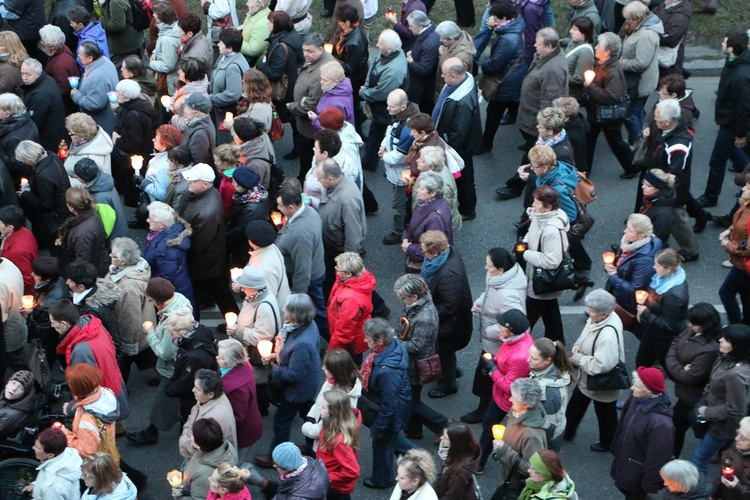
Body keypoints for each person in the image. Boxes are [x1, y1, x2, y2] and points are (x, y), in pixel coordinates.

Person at [496, 28, 568, 201]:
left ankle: (515, 186)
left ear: (549, 46)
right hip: (531, 118)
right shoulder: (545, 59)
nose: (534, 44)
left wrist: (541, 129)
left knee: (531, 156)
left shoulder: (552, 70)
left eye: (538, 43)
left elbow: (549, 102)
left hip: (538, 123)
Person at [253, 294, 321, 467]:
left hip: (297, 390)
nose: (283, 310)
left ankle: (276, 457)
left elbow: (293, 374)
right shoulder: (308, 325)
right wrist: (277, 355)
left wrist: (275, 368)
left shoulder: (302, 344)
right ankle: (311, 448)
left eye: (287, 309)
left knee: (282, 421)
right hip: (308, 384)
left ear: (295, 314)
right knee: (309, 416)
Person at [462, 247, 527, 424]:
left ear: (500, 269)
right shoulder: (499, 278)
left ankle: (485, 410)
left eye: (489, 266)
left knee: (488, 377)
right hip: (493, 342)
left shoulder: (508, 295)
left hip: (499, 346)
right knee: (484, 375)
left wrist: (487, 331)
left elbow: (511, 325)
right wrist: (480, 303)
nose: (485, 268)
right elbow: (489, 293)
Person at [124, 280, 193, 445]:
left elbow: (165, 352)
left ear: (157, 301)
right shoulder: (180, 300)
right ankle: (182, 427)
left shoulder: (172, 321)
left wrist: (150, 333)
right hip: (184, 365)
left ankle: (153, 431)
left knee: (165, 400)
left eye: (151, 300)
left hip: (173, 369)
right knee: (182, 400)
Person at [564, 289, 625, 453]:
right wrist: (579, 344)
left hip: (600, 382)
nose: (587, 312)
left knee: (605, 414)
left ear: (602, 313)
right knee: (577, 406)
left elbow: (601, 365)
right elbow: (587, 334)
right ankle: (568, 431)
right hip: (588, 379)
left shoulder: (607, 337)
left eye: (591, 310)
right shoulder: (601, 319)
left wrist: (578, 359)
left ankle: (608, 442)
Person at [697, 30, 750, 208]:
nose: (721, 44)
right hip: (730, 122)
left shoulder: (741, 75)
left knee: (717, 161)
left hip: (731, 124)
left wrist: (740, 134)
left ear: (732, 48)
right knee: (737, 156)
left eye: (724, 42)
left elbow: (743, 107)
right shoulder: (734, 62)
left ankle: (710, 197)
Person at [416, 230, 472, 399]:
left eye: (425, 251)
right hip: (452, 321)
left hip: (449, 324)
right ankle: (451, 371)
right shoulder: (449, 254)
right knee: (445, 352)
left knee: (444, 351)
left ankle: (448, 384)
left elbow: (450, 306)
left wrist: (427, 315)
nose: (423, 254)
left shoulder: (448, 276)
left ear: (435, 252)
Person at [393, 274, 448, 441]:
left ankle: (444, 425)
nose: (401, 300)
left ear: (415, 297)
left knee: (411, 401)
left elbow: (417, 346)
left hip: (416, 365)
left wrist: (394, 343)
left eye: (403, 298)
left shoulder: (425, 317)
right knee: (410, 398)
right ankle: (414, 429)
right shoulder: (419, 304)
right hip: (412, 362)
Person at [477, 308, 533, 470]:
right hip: (500, 396)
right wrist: (494, 363)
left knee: (490, 427)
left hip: (505, 401)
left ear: (511, 331)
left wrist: (493, 369)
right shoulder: (516, 340)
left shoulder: (520, 356)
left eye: (501, 326)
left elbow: (510, 387)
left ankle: (480, 463)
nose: (498, 327)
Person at [359, 318, 411, 489]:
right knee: (391, 439)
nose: (365, 340)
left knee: (381, 446)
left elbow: (389, 405)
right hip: (393, 409)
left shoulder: (387, 371)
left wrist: (377, 428)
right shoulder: (393, 347)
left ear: (379, 341)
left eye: (368, 338)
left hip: (388, 413)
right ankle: (415, 453)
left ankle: (383, 479)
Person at [665, 303, 721, 458]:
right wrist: (680, 366)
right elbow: (675, 344)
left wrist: (675, 364)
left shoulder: (709, 349)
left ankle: (672, 457)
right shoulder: (692, 330)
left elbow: (690, 377)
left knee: (678, 426)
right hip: (685, 392)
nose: (689, 325)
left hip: (693, 398)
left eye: (694, 324)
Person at [691, 324, 750, 474]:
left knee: (699, 458)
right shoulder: (726, 358)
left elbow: (736, 408)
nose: (721, 340)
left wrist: (707, 412)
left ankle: (698, 492)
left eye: (726, 339)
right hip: (721, 421)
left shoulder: (735, 375)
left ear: (736, 346)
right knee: (730, 447)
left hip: (722, 426)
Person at [181, 163, 237, 316]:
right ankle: (235, 320)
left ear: (205, 184)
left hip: (205, 262)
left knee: (202, 294)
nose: (189, 183)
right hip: (212, 260)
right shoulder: (209, 194)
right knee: (220, 291)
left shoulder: (206, 212)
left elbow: (199, 243)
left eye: (193, 181)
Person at [610, 367, 674, 499]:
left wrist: (649, 483)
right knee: (625, 489)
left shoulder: (661, 424)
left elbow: (658, 457)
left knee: (634, 495)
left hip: (636, 472)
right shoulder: (635, 399)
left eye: (637, 386)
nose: (632, 388)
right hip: (626, 461)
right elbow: (622, 424)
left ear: (649, 392)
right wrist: (615, 448)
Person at [648, 98, 699, 260]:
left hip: (672, 189)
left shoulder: (678, 145)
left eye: (657, 117)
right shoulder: (674, 133)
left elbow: (675, 173)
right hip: (666, 185)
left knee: (678, 220)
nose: (654, 119)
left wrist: (663, 190)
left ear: (667, 121)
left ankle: (691, 251)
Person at [519, 185, 569, 343]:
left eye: (537, 203)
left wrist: (525, 253)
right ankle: (557, 345)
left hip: (540, 281)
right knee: (550, 313)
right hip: (543, 282)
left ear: (548, 207)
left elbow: (552, 261)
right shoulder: (541, 218)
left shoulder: (551, 230)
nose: (533, 205)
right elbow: (533, 234)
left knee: (526, 321)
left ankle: (519, 347)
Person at [275, 184, 328, 334]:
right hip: (317, 269)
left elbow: (302, 268)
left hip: (310, 279)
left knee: (316, 312)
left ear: (291, 207)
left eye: (280, 205)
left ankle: (329, 341)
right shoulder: (309, 211)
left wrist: (298, 297)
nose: (278, 208)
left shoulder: (300, 234)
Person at [432, 57, 481, 220]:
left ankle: (467, 209)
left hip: (458, 147)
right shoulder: (463, 79)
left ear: (453, 76)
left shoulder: (463, 101)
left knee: (463, 175)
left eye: (444, 74)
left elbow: (459, 133)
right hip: (453, 142)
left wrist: (447, 146)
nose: (442, 77)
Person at [229, 267, 281, 415]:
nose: (242, 289)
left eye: (244, 286)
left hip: (255, 354)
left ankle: (260, 409)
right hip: (253, 353)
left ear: (251, 288)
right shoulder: (261, 296)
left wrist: (238, 331)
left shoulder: (263, 306)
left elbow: (262, 336)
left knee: (259, 384)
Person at [583, 32, 634, 177]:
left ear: (607, 52)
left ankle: (632, 167)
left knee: (616, 143)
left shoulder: (612, 71)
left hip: (607, 116)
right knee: (589, 139)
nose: (595, 47)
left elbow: (611, 97)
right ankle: (584, 170)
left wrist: (590, 86)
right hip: (598, 114)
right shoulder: (603, 64)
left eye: (599, 45)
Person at [287, 33, 335, 182]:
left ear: (321, 49)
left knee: (307, 157)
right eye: (304, 50)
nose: (306, 55)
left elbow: (310, 105)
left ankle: (304, 180)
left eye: (310, 51)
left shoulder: (322, 72)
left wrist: (292, 106)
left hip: (309, 127)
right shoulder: (317, 61)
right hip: (305, 123)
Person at [359, 29, 408, 172]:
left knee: (377, 132)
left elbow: (381, 92)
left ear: (390, 48)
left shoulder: (393, 70)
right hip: (380, 104)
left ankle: (370, 161)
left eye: (380, 44)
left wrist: (364, 92)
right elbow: (374, 67)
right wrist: (367, 85)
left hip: (384, 108)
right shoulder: (388, 55)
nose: (377, 45)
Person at [316, 158, 366, 297]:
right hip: (332, 243)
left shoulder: (347, 199)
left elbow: (353, 234)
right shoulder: (333, 187)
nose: (318, 181)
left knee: (345, 281)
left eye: (320, 178)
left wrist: (347, 264)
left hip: (338, 250)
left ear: (330, 178)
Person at [480, 1, 525, 152]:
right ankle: (531, 138)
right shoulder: (514, 28)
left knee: (493, 113)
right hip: (514, 79)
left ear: (503, 19)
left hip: (505, 83)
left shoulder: (507, 40)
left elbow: (494, 64)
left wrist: (484, 66)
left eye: (494, 17)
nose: (490, 19)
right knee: (515, 106)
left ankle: (486, 144)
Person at [489, 378, 549, 488]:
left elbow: (532, 468)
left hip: (516, 483)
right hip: (509, 472)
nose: (511, 399)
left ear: (526, 404)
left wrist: (503, 451)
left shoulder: (532, 435)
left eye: (514, 398)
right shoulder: (518, 409)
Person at [605, 213, 662, 328]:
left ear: (640, 236)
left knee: (636, 329)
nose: (624, 232)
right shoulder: (630, 244)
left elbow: (635, 289)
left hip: (628, 302)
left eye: (630, 230)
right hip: (619, 291)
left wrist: (614, 275)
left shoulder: (644, 260)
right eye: (626, 227)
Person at [635, 248, 689, 368]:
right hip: (653, 330)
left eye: (657, 265)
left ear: (668, 268)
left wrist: (645, 313)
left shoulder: (674, 295)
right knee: (641, 363)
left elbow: (669, 325)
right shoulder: (663, 279)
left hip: (663, 338)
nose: (654, 267)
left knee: (667, 367)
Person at [620, 1, 664, 146]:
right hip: (638, 81)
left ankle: (638, 143)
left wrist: (621, 62)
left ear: (638, 18)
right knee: (637, 111)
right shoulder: (640, 29)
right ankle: (640, 140)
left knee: (631, 113)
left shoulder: (646, 36)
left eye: (629, 19)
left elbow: (641, 63)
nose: (626, 21)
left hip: (640, 82)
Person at [15, 140, 70, 255]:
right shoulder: (52, 157)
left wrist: (25, 195)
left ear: (30, 159)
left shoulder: (42, 176)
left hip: (54, 219)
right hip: (64, 209)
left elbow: (45, 204)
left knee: (58, 251)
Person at [301, 348, 362, 452]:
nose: (323, 368)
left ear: (335, 371)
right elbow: (320, 401)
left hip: (322, 442)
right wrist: (311, 416)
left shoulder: (343, 398)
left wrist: (307, 427)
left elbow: (328, 427)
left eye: (326, 367)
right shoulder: (332, 381)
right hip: (317, 425)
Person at [216, 339, 263, 467]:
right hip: (251, 426)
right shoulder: (245, 366)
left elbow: (236, 418)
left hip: (242, 434)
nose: (217, 358)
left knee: (233, 466)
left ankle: (264, 483)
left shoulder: (234, 387)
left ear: (230, 361)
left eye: (220, 357)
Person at [379, 89, 417, 244]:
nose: (388, 109)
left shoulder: (407, 129)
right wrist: (384, 146)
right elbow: (390, 135)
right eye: (388, 105)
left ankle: (399, 232)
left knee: (399, 205)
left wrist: (384, 155)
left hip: (401, 175)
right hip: (399, 172)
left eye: (392, 107)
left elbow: (398, 157)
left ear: (403, 107)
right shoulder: (402, 118)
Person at [60, 364, 119, 460]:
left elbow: (86, 451)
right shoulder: (106, 393)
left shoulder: (86, 420)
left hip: (95, 464)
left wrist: (64, 435)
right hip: (107, 444)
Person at [255, 10, 304, 125]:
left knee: (279, 120)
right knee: (293, 120)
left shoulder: (279, 47)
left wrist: (259, 65)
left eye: (270, 22)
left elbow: (274, 73)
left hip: (283, 90)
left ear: (277, 25)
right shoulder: (293, 35)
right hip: (292, 81)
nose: (268, 24)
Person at [111, 79, 156, 205]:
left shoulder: (132, 115)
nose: (116, 94)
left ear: (125, 97)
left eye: (118, 93)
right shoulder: (138, 107)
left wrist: (117, 140)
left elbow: (132, 144)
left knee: (133, 192)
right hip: (142, 154)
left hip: (134, 159)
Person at [143, 201, 194, 309]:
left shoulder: (166, 250)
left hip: (172, 293)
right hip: (180, 284)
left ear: (162, 225)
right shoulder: (173, 228)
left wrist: (144, 279)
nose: (147, 220)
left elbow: (165, 276)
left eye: (151, 219)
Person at [311, 389, 361, 499]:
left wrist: (327, 477)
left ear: (334, 412)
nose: (320, 408)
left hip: (335, 489)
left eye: (323, 407)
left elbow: (352, 471)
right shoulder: (332, 423)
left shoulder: (338, 440)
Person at [527, 337, 574, 452]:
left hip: (546, 437)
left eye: (534, 358)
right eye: (529, 355)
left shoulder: (548, 392)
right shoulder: (554, 368)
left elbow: (548, 423)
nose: (528, 360)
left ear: (547, 360)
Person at [327, 252, 374, 363]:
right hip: (356, 336)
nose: (335, 269)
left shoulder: (351, 300)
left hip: (351, 344)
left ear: (348, 273)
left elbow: (344, 332)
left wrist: (331, 352)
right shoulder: (357, 279)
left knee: (349, 367)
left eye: (338, 268)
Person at [179, 369, 238, 459]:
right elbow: (192, 415)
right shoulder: (208, 398)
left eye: (197, 389)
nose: (192, 390)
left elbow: (202, 450)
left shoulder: (214, 418)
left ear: (210, 394)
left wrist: (183, 439)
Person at [175, 418, 238, 500]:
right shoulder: (224, 445)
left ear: (199, 445)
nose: (191, 437)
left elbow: (198, 498)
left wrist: (179, 495)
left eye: (193, 435)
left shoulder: (204, 475)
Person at [25, 256, 70, 366]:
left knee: (43, 365)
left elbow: (42, 332)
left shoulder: (50, 304)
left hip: (48, 343)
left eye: (36, 274)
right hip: (51, 336)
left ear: (47, 279)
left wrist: (29, 315)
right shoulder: (56, 280)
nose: (32, 275)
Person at [402, 172, 452, 271]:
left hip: (426, 265)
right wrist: (405, 237)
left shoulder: (435, 219)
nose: (417, 190)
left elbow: (432, 249)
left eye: (421, 188)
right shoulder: (431, 203)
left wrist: (409, 247)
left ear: (432, 193)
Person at [73, 157, 129, 240]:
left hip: (114, 243)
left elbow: (105, 229)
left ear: (86, 179)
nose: (75, 176)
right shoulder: (104, 183)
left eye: (78, 176)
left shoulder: (100, 199)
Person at [57, 187, 109, 275]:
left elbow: (82, 262)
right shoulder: (91, 213)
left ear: (71, 207)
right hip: (99, 259)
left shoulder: (82, 234)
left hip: (92, 271)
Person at [719, 180, 750, 325]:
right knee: (745, 293)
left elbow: (748, 249)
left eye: (748, 187)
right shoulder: (746, 203)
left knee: (726, 293)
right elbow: (740, 223)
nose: (743, 188)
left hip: (743, 264)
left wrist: (728, 245)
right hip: (741, 263)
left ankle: (736, 327)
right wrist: (730, 229)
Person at [331, 4, 368, 124]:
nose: (338, 24)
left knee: (353, 102)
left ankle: (357, 123)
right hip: (355, 75)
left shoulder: (354, 43)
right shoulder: (351, 32)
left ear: (347, 22)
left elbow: (350, 67)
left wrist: (333, 60)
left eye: (340, 22)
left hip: (354, 79)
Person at [410, 146, 460, 234]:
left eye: (422, 160)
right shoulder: (433, 171)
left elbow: (440, 216)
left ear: (431, 166)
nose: (417, 161)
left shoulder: (441, 187)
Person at [22, 427, 82, 499]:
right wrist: (36, 486)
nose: (33, 448)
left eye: (37, 447)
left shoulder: (52, 488)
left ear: (50, 455)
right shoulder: (66, 458)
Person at [20, 58, 67, 151]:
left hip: (47, 139)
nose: (24, 77)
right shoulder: (47, 80)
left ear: (38, 73)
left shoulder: (40, 95)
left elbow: (35, 123)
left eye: (28, 74)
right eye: (22, 73)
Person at [227, 167, 270, 267]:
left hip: (244, 246)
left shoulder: (251, 209)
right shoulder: (257, 192)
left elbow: (240, 231)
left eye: (234, 181)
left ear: (241, 185)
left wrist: (225, 236)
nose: (232, 183)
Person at [244, 220, 291, 313]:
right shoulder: (272, 248)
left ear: (252, 242)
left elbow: (266, 298)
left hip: (268, 315)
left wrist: (243, 287)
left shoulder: (265, 268)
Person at [71, 42, 118, 134]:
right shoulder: (104, 60)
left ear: (90, 58)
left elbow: (95, 104)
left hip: (101, 124)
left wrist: (76, 96)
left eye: (80, 54)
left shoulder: (96, 77)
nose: (78, 56)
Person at [211, 28, 250, 138]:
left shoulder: (233, 67)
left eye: (221, 43)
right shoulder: (228, 57)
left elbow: (232, 94)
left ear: (230, 48)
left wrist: (211, 98)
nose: (218, 44)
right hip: (221, 107)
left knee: (224, 138)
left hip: (226, 111)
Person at [39, 24, 80, 115]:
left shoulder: (59, 65)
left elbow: (62, 90)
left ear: (52, 46)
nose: (42, 44)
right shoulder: (63, 48)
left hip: (64, 108)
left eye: (44, 43)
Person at [403, 11, 439, 116]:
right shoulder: (429, 31)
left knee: (427, 111)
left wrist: (411, 61)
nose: (409, 28)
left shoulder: (429, 44)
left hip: (426, 89)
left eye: (411, 26)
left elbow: (424, 70)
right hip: (425, 85)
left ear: (420, 26)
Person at [64, 112, 113, 188]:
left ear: (82, 137)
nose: (69, 134)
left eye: (72, 133)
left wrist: (65, 180)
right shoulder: (88, 142)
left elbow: (86, 184)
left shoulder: (90, 158)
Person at [432, 422, 480, 499]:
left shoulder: (460, 473)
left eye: (446, 438)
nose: (441, 438)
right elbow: (441, 474)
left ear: (455, 443)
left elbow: (452, 497)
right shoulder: (456, 454)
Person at [0, 205, 39, 294]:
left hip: (20, 294)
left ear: (10, 227)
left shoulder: (16, 251)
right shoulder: (24, 231)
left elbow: (27, 279)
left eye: (0, 223)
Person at [434, 20, 475, 101]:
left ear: (451, 39)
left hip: (450, 95)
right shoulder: (454, 44)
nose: (440, 40)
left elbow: (456, 81)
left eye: (443, 38)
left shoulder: (461, 57)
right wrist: (443, 54)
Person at [0, 92, 38, 177]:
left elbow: (16, 165)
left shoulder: (15, 137)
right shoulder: (24, 119)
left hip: (15, 180)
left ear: (7, 114)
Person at [712, 416, 750, 499]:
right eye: (738, 433)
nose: (736, 438)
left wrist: (737, 487)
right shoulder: (737, 447)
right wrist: (714, 494)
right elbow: (722, 474)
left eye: (743, 438)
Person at [309, 61, 354, 129]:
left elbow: (331, 129)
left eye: (325, 80)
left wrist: (315, 120)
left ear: (336, 82)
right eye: (321, 78)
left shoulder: (336, 104)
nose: (321, 82)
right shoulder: (343, 88)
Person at [147, 2, 181, 95]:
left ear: (162, 17)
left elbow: (167, 66)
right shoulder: (171, 28)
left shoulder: (167, 40)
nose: (153, 15)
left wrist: (151, 64)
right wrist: (155, 52)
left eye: (155, 13)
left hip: (167, 84)